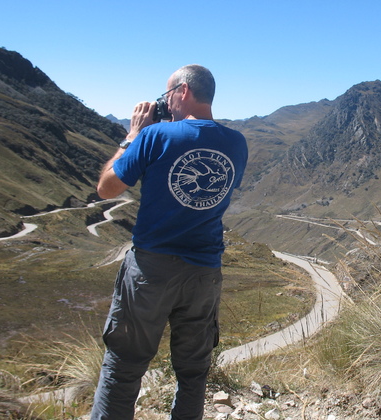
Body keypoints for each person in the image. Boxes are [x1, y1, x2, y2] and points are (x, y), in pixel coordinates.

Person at [90, 64, 248, 420]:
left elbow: (107, 188)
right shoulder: (237, 143)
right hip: (205, 273)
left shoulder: (154, 137)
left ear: (184, 91)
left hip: (151, 270)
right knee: (193, 372)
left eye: (166, 96)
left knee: (124, 364)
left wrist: (132, 135)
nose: (164, 104)